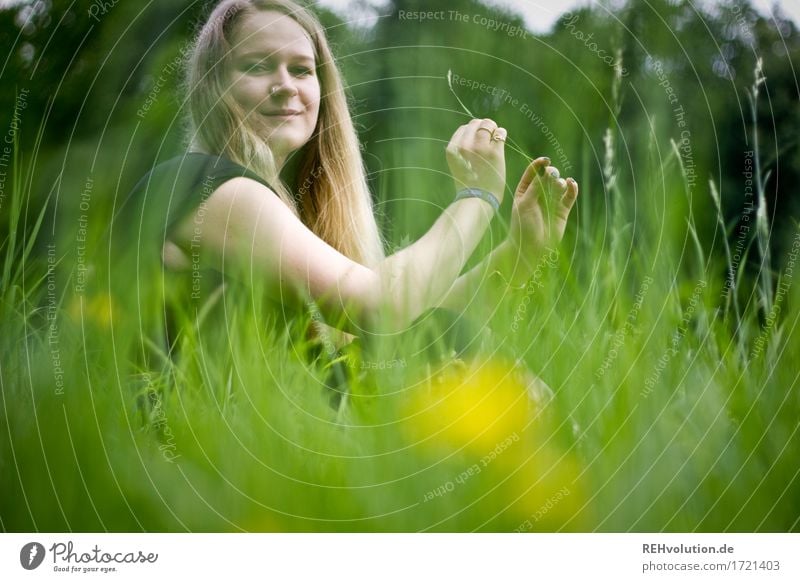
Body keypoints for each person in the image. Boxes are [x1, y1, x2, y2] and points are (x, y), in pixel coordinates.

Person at [127, 0, 579, 406]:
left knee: (435, 340)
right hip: (182, 467)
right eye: (257, 66)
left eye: (302, 70)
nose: (285, 85)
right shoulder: (202, 185)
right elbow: (384, 309)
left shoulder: (277, 207)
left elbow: (414, 318)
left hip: (260, 454)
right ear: (213, 86)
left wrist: (522, 252)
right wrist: (477, 197)